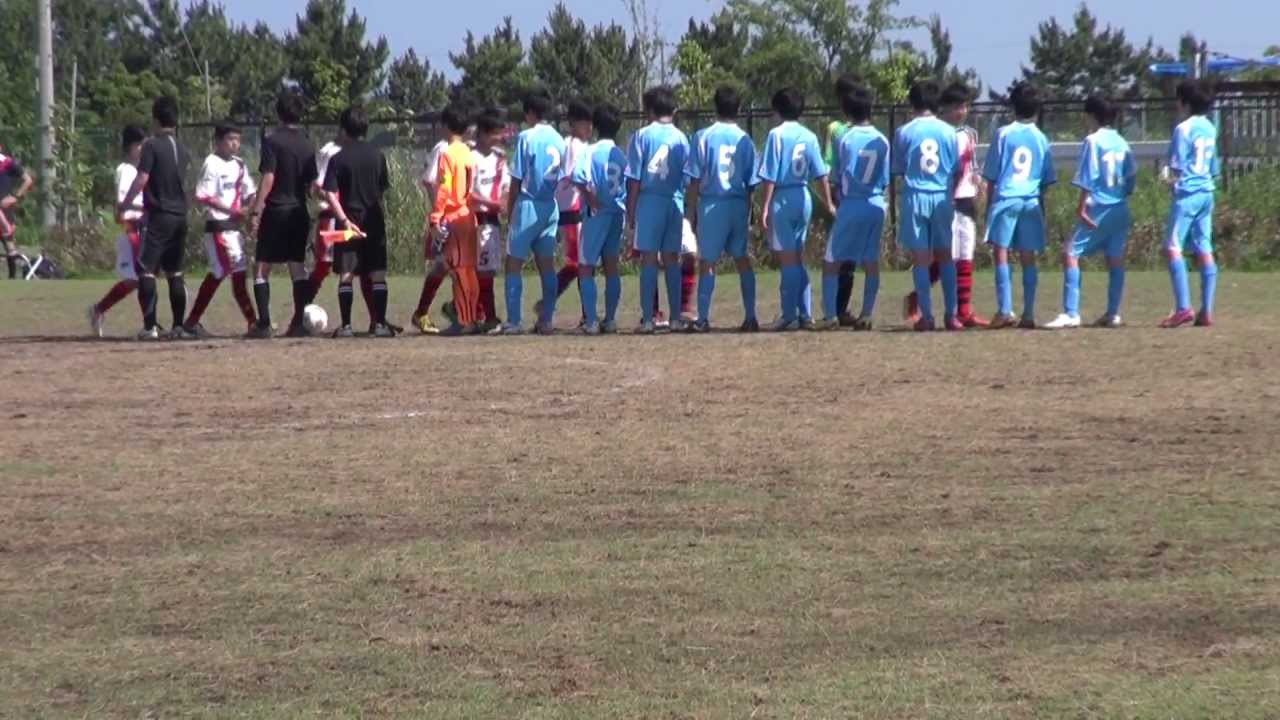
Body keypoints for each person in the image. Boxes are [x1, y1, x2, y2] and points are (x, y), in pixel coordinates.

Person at [1046, 95, 1136, 330]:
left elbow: (1089, 176)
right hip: (1120, 208)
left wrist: (1081, 205)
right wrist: (1121, 195)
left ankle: (1071, 312)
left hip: (1098, 207)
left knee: (1070, 252)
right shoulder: (1123, 142)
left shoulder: (1092, 141)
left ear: (1091, 116)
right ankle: (1113, 312)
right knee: (1114, 258)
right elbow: (1131, 178)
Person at [903, 82, 989, 327]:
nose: (961, 111)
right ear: (944, 109)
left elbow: (970, 164)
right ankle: (921, 299)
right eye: (956, 107)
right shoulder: (940, 132)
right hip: (944, 199)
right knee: (947, 255)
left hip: (965, 197)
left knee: (964, 253)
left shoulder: (969, 133)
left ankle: (963, 310)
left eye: (965, 106)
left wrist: (978, 182)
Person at [757, 87, 834, 331]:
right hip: (803, 196)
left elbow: (770, 174)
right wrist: (828, 202)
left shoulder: (776, 135)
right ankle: (806, 312)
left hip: (783, 197)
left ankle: (789, 314)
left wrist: (765, 206)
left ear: (777, 110)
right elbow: (821, 173)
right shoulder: (809, 136)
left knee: (787, 260)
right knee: (798, 258)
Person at [684, 85, 759, 332]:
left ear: (715, 106)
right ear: (738, 109)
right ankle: (750, 316)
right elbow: (751, 183)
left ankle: (703, 318)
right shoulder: (745, 140)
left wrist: (690, 213)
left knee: (707, 262)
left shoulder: (703, 136)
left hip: (712, 203)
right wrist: (748, 211)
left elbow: (694, 179)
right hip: (737, 203)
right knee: (742, 259)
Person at [983, 82, 1056, 329]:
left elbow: (992, 175)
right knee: (1028, 256)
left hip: (1006, 197)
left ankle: (1005, 310)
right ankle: (1028, 313)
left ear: (1012, 106)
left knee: (1001, 252)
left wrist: (989, 208)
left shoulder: (1003, 134)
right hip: (1030, 199)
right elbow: (1046, 179)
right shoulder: (1041, 137)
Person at [119, 96, 192, 341]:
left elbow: (142, 179)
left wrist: (124, 205)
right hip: (180, 215)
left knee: (147, 270)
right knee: (175, 271)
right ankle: (178, 326)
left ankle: (150, 327)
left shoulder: (151, 145)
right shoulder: (182, 148)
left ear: (155, 120)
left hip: (159, 215)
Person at [494, 89, 566, 335]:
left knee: (513, 263)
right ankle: (546, 319)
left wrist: (511, 209)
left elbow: (516, 178)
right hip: (550, 205)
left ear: (530, 113)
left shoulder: (526, 136)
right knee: (546, 265)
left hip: (529, 204)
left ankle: (514, 321)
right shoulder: (559, 139)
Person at [322, 105, 396, 338]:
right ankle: (381, 325)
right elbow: (382, 191)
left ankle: (346, 326)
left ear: (344, 130)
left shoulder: (338, 158)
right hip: (374, 219)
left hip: (349, 220)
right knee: (377, 273)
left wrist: (343, 220)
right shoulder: (378, 155)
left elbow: (330, 194)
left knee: (346, 274)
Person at [892, 81, 959, 332]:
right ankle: (951, 316)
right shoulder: (948, 131)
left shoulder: (904, 131)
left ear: (913, 103)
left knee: (920, 259)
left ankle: (927, 316)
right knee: (945, 256)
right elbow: (954, 167)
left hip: (915, 195)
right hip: (941, 195)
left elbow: (899, 169)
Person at [249, 91, 317, 338]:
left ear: (279, 113)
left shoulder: (271, 141)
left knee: (261, 268)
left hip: (276, 210)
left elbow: (268, 177)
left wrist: (257, 210)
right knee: (297, 268)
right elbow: (312, 185)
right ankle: (298, 323)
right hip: (299, 211)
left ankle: (264, 324)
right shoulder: (307, 143)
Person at [182, 122, 259, 336]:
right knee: (228, 271)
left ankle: (192, 322)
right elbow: (203, 195)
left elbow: (250, 191)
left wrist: (250, 208)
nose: (235, 144)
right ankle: (252, 322)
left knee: (231, 273)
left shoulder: (239, 164)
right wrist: (232, 210)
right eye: (230, 139)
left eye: (238, 140)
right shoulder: (212, 163)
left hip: (233, 230)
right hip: (218, 228)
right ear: (218, 141)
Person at [626, 85, 692, 334]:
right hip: (673, 201)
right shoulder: (681, 138)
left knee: (649, 260)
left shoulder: (641, 135)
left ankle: (648, 319)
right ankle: (675, 318)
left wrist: (630, 210)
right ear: (672, 109)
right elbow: (688, 177)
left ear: (650, 109)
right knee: (672, 260)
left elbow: (633, 178)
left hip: (649, 201)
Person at [822, 84, 888, 330]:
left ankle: (830, 315)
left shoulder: (844, 137)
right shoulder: (882, 140)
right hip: (875, 203)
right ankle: (866, 314)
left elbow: (836, 176)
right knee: (871, 261)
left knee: (831, 261)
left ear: (847, 112)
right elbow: (884, 179)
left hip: (851, 204)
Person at [1160, 79, 1220, 328]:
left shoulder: (1182, 129)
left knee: (1173, 247)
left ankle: (1183, 308)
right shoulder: (1210, 127)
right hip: (1207, 192)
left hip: (1187, 194)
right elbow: (1214, 168)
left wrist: (1166, 180)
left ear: (1184, 102)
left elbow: (1175, 167)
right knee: (1204, 248)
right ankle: (1206, 310)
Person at [309, 135, 377, 328]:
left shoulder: (361, 152)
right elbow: (317, 187)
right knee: (324, 265)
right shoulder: (328, 151)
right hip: (331, 218)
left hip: (355, 218)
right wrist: (337, 198)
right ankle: (300, 313)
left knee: (363, 268)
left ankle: (375, 319)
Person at [572, 103, 628, 334]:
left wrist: (590, 198)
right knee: (611, 266)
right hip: (617, 213)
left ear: (595, 126)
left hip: (597, 215)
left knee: (585, 267)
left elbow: (578, 177)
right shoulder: (621, 155)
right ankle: (611, 319)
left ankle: (592, 321)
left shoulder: (590, 150)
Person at [88, 125, 147, 336]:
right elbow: (123, 203)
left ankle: (99, 309)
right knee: (138, 280)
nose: (143, 149)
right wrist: (149, 207)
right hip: (131, 228)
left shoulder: (141, 171)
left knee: (138, 280)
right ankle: (147, 325)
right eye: (141, 145)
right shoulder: (125, 170)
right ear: (131, 147)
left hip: (143, 229)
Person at [428, 107, 481, 336]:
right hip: (469, 216)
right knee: (469, 270)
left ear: (447, 126)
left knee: (458, 271)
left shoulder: (448, 154)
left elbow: (444, 189)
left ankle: (464, 319)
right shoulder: (469, 153)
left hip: (454, 216)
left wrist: (435, 217)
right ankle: (472, 316)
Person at [540, 100, 593, 321]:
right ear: (574, 123)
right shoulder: (573, 145)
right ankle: (550, 307)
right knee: (578, 264)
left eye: (590, 123)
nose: (589, 128)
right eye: (584, 123)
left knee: (578, 263)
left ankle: (549, 307)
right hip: (572, 210)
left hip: (572, 209)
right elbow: (572, 176)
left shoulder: (571, 144)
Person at [412, 129, 461, 334]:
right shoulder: (443, 148)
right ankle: (425, 313)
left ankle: (455, 310)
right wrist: (438, 213)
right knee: (446, 265)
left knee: (452, 267)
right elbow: (429, 180)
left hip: (462, 217)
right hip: (445, 218)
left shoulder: (466, 149)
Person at [824, 74, 862, 325]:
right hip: (850, 197)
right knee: (842, 256)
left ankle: (837, 309)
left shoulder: (846, 128)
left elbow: (828, 165)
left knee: (843, 256)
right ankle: (836, 310)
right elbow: (828, 165)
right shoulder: (842, 129)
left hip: (849, 197)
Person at [468, 110, 510, 332]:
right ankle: (486, 316)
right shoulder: (470, 158)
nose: (499, 137)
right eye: (495, 133)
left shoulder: (499, 159)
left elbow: (505, 185)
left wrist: (502, 202)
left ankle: (476, 313)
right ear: (483, 134)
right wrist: (491, 203)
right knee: (480, 270)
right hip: (476, 220)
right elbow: (466, 193)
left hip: (492, 221)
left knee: (488, 270)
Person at [0, 145, 34, 279]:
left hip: (4, 209)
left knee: (8, 242)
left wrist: (15, 197)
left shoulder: (7, 163)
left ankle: (12, 279)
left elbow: (28, 180)